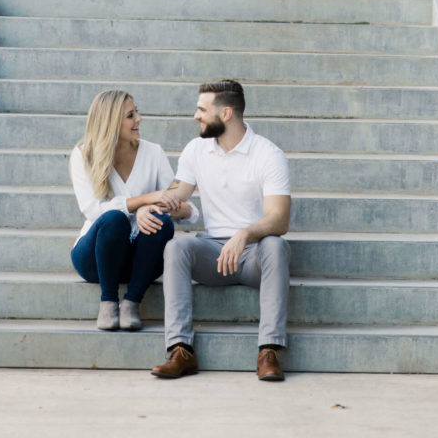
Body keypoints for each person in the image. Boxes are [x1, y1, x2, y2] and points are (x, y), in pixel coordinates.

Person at [151, 79, 291, 381]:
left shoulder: (268, 154)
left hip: (254, 255)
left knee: (276, 246)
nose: (196, 116)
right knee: (176, 246)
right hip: (213, 254)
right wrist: (153, 206)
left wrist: (244, 234)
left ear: (226, 113)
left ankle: (269, 351)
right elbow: (176, 193)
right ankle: (180, 350)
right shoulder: (195, 150)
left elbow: (279, 219)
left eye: (202, 109)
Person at [69, 88, 198, 331]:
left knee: (161, 220)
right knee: (114, 219)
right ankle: (108, 302)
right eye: (131, 115)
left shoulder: (153, 152)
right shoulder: (83, 154)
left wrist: (172, 208)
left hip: (140, 260)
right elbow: (92, 210)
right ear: (110, 121)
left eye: (136, 112)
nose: (139, 119)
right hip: (96, 257)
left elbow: (179, 202)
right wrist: (142, 202)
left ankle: (131, 303)